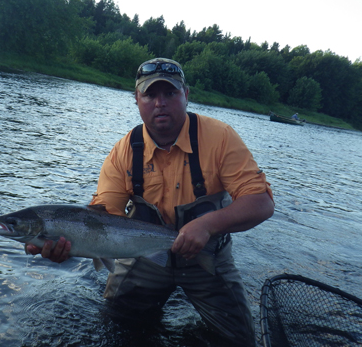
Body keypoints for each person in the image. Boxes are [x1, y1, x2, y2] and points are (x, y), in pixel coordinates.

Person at [26, 58, 274, 346]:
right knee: (115, 329)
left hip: (206, 256)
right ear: (136, 99)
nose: (160, 103)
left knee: (239, 341)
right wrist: (69, 241)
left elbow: (261, 202)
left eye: (170, 93)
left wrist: (206, 225)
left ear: (186, 96)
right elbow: (103, 216)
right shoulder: (123, 152)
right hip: (143, 258)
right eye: (150, 95)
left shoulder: (220, 138)